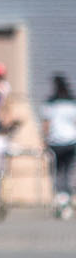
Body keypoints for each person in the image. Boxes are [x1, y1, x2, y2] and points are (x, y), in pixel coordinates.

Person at [41, 74, 76, 215]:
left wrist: (44, 140)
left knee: (57, 171)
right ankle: (67, 197)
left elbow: (46, 125)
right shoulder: (72, 104)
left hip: (56, 143)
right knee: (68, 171)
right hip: (71, 141)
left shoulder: (50, 104)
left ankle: (60, 197)